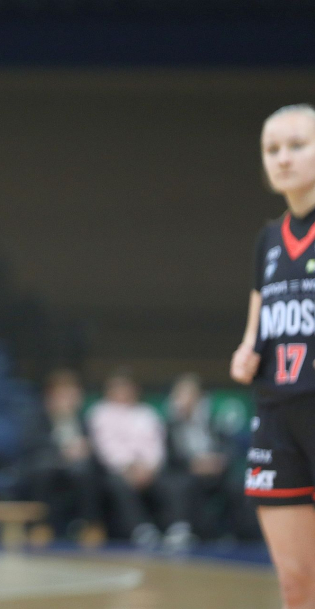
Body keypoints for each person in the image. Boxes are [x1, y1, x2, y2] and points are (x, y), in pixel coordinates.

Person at [231, 103, 315, 609]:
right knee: (294, 583)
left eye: (297, 146)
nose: (282, 158)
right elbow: (256, 329)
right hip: (278, 416)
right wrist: (246, 352)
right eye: (272, 149)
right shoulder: (268, 238)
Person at [87, 369, 193, 551]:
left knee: (174, 482)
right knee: (118, 485)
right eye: (117, 388)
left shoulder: (147, 413)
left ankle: (176, 527)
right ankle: (140, 530)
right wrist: (128, 466)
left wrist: (149, 468)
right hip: (118, 470)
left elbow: (156, 445)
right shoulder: (100, 412)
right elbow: (106, 446)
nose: (122, 392)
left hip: (149, 469)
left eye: (126, 388)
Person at [21, 369, 104, 547]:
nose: (67, 400)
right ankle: (40, 525)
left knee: (85, 471)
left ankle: (88, 525)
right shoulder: (38, 418)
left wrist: (84, 450)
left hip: (76, 469)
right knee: (44, 470)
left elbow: (95, 449)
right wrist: (62, 451)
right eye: (63, 395)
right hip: (48, 466)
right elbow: (32, 447)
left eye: (71, 395)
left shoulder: (82, 420)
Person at [164, 373, 243, 540]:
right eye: (181, 394)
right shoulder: (171, 425)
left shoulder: (211, 421)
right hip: (186, 472)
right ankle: (182, 530)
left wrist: (219, 461)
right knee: (182, 484)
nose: (186, 400)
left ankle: (240, 534)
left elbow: (228, 447)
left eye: (191, 394)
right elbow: (170, 456)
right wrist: (193, 464)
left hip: (215, 471)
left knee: (236, 484)